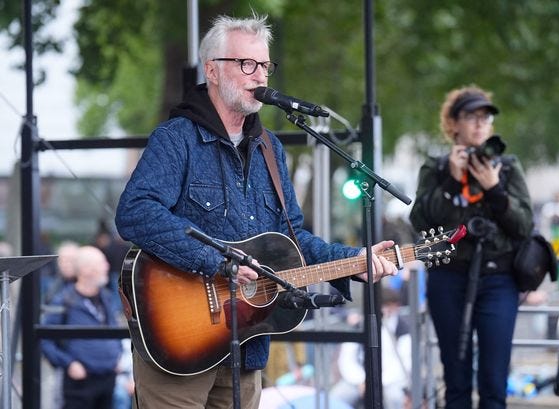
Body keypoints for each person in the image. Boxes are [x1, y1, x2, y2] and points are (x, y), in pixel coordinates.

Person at [114, 13, 398, 409]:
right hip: (178, 345)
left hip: (246, 349)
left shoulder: (271, 149)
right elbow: (135, 212)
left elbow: (293, 238)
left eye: (265, 65)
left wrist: (354, 260)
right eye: (246, 64)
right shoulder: (176, 139)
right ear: (212, 70)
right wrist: (217, 261)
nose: (260, 76)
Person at [409, 85, 534, 409]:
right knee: (456, 379)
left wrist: (495, 190)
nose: (480, 124)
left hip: (498, 279)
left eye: (486, 117)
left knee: (494, 380)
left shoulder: (506, 167)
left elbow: (524, 227)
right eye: (470, 117)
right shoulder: (436, 168)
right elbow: (421, 222)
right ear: (453, 125)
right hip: (448, 278)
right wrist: (451, 181)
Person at [41, 245, 123, 409]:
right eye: (102, 262)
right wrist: (68, 363)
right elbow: (44, 338)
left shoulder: (105, 298)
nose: (107, 266)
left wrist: (118, 356)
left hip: (108, 379)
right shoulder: (64, 300)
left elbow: (113, 329)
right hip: (79, 384)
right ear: (85, 269)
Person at [331, 288, 411, 409]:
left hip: (390, 382)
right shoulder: (360, 325)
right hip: (358, 380)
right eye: (383, 305)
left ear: (397, 306)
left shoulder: (403, 330)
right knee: (336, 398)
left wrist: (377, 382)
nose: (385, 310)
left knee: (395, 398)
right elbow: (347, 359)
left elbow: (403, 365)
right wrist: (362, 381)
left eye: (389, 305)